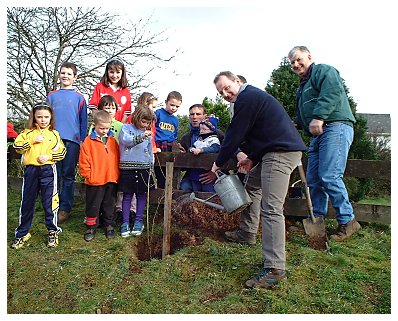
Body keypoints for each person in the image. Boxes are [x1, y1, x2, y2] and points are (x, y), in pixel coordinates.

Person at [211, 71, 306, 289]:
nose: (225, 94)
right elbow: (265, 135)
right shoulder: (250, 99)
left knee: (272, 208)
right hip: (271, 151)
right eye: (220, 92)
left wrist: (218, 162)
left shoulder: (248, 97)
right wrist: (252, 158)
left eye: (227, 87)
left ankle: (274, 269)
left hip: (281, 154)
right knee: (252, 185)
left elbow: (234, 134)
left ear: (238, 81)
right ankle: (247, 233)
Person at [288, 46, 360, 241]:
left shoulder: (324, 71)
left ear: (309, 57)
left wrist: (319, 117)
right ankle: (315, 220)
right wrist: (295, 123)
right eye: (292, 63)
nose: (295, 64)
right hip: (318, 133)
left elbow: (332, 92)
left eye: (298, 59)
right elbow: (305, 113)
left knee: (329, 176)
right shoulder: (303, 85)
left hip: (335, 126)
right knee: (313, 180)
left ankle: (348, 221)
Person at [11, 102, 66, 249]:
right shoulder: (27, 133)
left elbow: (62, 152)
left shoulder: (54, 134)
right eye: (39, 117)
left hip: (48, 171)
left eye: (46, 117)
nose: (43, 120)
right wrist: (31, 141)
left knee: (50, 203)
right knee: (27, 203)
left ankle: (53, 231)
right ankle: (22, 233)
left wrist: (48, 156)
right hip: (31, 172)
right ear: (34, 117)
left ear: (51, 118)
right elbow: (17, 147)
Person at [47, 62, 88, 224]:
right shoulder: (52, 96)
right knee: (53, 174)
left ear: (74, 77)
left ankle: (65, 209)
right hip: (53, 141)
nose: (65, 76)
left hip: (72, 142)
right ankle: (52, 207)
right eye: (63, 73)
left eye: (69, 74)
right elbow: (44, 117)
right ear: (59, 75)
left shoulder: (79, 98)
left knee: (68, 176)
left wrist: (82, 141)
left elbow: (83, 122)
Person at [79, 110, 120, 241]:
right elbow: (83, 160)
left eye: (107, 128)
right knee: (93, 205)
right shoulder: (88, 141)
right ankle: (91, 227)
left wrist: (117, 174)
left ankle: (108, 224)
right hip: (95, 180)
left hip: (111, 178)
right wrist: (88, 175)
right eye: (101, 128)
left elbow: (117, 158)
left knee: (109, 203)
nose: (104, 131)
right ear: (94, 125)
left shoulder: (113, 141)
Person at [118, 106, 156, 237]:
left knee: (141, 195)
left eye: (148, 122)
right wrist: (141, 136)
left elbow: (150, 152)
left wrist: (151, 166)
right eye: (143, 121)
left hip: (144, 168)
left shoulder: (149, 135)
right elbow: (126, 141)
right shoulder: (126, 128)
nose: (145, 125)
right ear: (136, 118)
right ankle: (125, 222)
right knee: (127, 195)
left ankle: (138, 221)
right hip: (127, 167)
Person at [178, 104, 225, 192]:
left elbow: (227, 154)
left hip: (212, 176)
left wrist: (215, 173)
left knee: (211, 196)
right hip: (192, 177)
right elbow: (182, 167)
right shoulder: (186, 138)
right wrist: (182, 156)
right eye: (192, 114)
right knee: (184, 188)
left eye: (198, 114)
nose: (194, 117)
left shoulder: (218, 135)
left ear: (205, 116)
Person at [89, 57, 132, 123]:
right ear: (107, 72)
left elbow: (126, 114)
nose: (114, 75)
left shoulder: (126, 91)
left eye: (118, 72)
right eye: (111, 72)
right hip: (101, 127)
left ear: (122, 73)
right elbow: (94, 108)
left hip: (118, 128)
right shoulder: (100, 87)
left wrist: (120, 127)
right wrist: (100, 123)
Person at [154, 91, 182, 188]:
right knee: (158, 170)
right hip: (158, 145)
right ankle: (154, 195)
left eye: (177, 106)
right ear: (166, 102)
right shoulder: (158, 113)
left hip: (169, 147)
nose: (174, 108)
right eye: (172, 105)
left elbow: (174, 134)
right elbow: (152, 128)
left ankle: (165, 196)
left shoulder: (175, 120)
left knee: (168, 173)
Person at [187, 115, 221, 192]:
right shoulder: (198, 141)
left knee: (208, 191)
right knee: (196, 192)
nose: (202, 131)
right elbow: (191, 147)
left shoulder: (214, 140)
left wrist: (202, 150)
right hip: (195, 172)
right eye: (201, 129)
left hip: (207, 171)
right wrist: (191, 149)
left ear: (212, 130)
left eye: (204, 129)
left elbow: (215, 148)